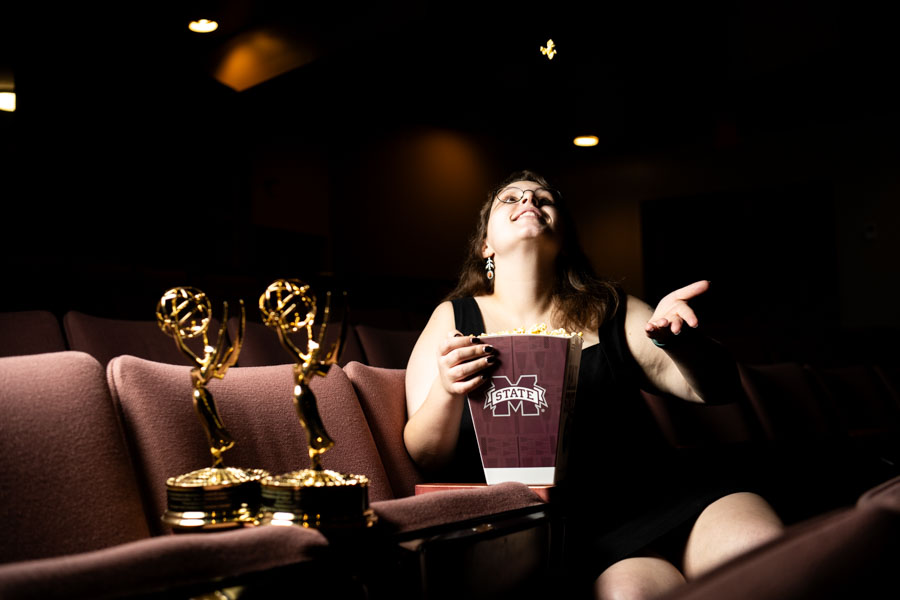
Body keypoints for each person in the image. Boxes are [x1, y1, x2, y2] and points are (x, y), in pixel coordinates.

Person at [404, 170, 784, 599]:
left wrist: (683, 343)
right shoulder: (454, 319)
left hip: (669, 492)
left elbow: (717, 390)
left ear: (563, 237)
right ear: (484, 246)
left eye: (544, 199)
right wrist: (446, 389)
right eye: (509, 199)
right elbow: (426, 455)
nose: (528, 200)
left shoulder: (612, 309)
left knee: (760, 553)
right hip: (585, 529)